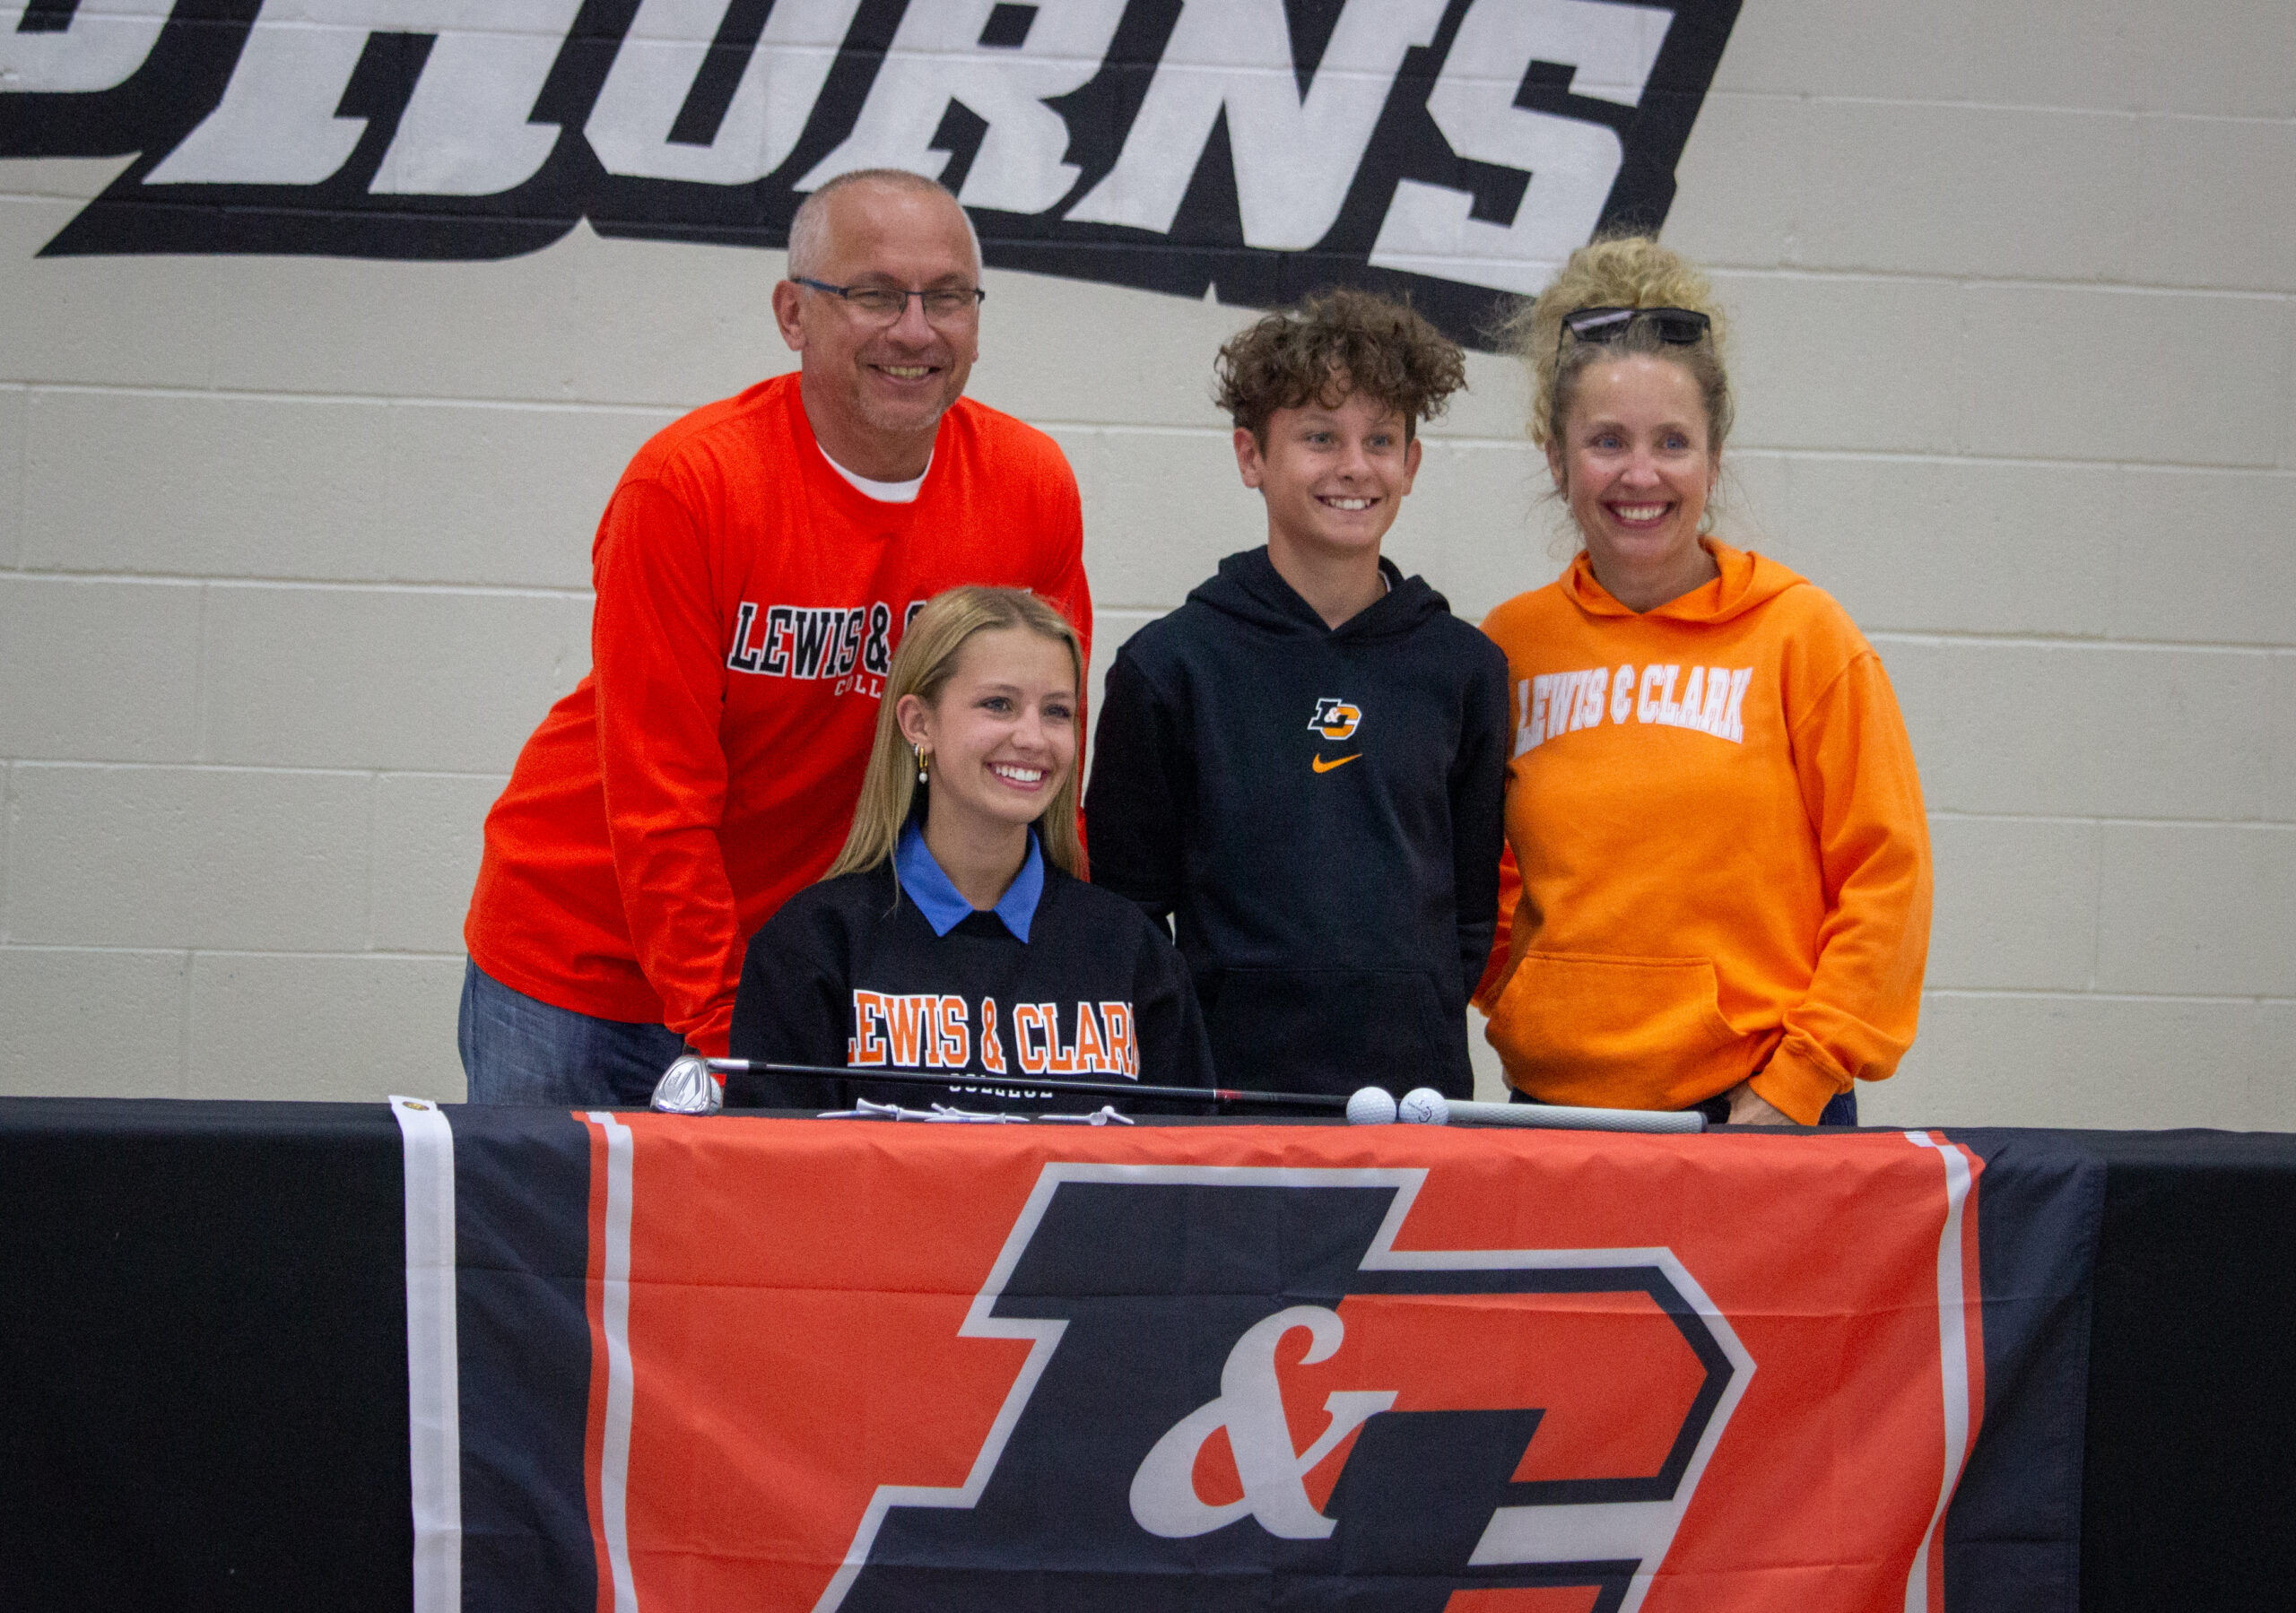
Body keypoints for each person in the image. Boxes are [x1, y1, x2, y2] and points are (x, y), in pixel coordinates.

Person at [459, 169, 1090, 1106]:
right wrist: (733, 1034)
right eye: (875, 294)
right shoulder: (690, 488)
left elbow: (1042, 771)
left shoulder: (1027, 485)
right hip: (581, 968)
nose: (915, 330)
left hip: (800, 973)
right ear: (794, 314)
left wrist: (1054, 976)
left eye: (947, 297)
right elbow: (658, 798)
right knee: (552, 1255)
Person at [1474, 237, 1932, 1126]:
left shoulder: (1802, 635)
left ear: (1713, 458)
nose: (1639, 474)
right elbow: (1470, 876)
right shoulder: (1508, 648)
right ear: (1554, 455)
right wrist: (1531, 998)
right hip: (1552, 1117)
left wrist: (1796, 1080)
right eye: (1605, 440)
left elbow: (1887, 879)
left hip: (1759, 1117)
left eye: (1671, 442)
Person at [1085, 289, 1509, 1099]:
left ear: (1411, 465)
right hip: (1227, 1099)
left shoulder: (1467, 670)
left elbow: (1468, 910)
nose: (1354, 466)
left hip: (1413, 1099)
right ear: (1252, 456)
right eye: (1320, 437)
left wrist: (1417, 1005)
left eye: (1380, 440)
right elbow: (1129, 912)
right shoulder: (1169, 666)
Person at [729, 587, 1213, 1113]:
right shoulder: (813, 948)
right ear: (919, 723)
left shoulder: (1133, 954)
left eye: (1056, 712)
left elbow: (1183, 1179)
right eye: (998, 704)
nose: (1032, 738)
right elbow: (771, 1178)